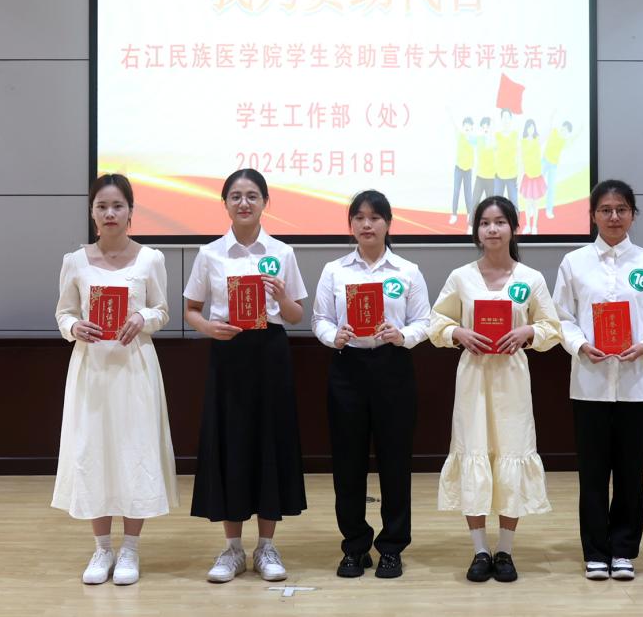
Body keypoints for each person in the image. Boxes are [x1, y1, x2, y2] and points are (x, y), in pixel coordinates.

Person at [183, 168, 308, 583]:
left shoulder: (283, 252)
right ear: (225, 203)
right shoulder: (210, 254)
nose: (244, 203)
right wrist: (208, 328)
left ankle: (266, 546)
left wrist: (282, 297)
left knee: (270, 441)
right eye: (235, 196)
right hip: (229, 353)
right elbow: (191, 309)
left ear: (265, 202)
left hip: (270, 353)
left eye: (252, 195)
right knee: (231, 443)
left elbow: (296, 315)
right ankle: (233, 549)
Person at [53, 173, 178, 586]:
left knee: (134, 451)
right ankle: (102, 548)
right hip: (91, 370)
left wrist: (143, 318)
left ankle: (131, 549)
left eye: (117, 206)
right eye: (102, 206)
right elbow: (64, 313)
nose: (110, 213)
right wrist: (74, 328)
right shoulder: (75, 260)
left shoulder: (150, 259)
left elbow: (162, 310)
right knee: (94, 451)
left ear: (130, 212)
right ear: (92, 213)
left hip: (134, 369)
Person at [429, 196, 562, 583]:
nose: (492, 229)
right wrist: (457, 332)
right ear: (476, 231)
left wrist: (528, 331)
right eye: (485, 223)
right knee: (473, 453)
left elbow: (552, 328)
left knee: (511, 455)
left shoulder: (530, 278)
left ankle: (505, 550)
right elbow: (435, 322)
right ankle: (480, 550)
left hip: (512, 382)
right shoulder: (461, 277)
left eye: (500, 222)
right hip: (473, 379)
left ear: (513, 228)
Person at [552, 179, 643, 581]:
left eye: (622, 209)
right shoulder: (574, 262)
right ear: (593, 215)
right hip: (589, 383)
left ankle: (623, 550)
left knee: (629, 473)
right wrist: (579, 344)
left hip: (636, 384)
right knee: (591, 473)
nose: (613, 217)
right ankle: (595, 551)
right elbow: (561, 318)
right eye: (605, 210)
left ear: (633, 215)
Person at [312, 190, 431, 579]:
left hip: (392, 368)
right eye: (359, 217)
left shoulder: (407, 271)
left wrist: (402, 335)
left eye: (375, 217)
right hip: (347, 368)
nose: (367, 224)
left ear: (388, 224)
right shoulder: (335, 270)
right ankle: (355, 546)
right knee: (348, 463)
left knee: (395, 462)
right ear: (350, 225)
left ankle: (392, 547)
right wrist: (334, 336)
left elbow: (424, 322)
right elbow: (320, 319)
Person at [518, 119, 547, 235]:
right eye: (529, 127)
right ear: (526, 129)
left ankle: (534, 226)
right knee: (527, 204)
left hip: (537, 176)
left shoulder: (537, 140)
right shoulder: (523, 142)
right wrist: (520, 176)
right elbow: (521, 160)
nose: (531, 129)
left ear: (534, 128)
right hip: (527, 176)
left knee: (535, 204)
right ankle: (528, 226)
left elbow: (547, 135)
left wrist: (551, 119)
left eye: (532, 127)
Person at [542, 120, 573, 219]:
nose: (564, 131)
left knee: (551, 188)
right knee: (536, 184)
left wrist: (579, 131)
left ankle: (549, 210)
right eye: (564, 129)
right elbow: (550, 123)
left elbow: (570, 142)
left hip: (553, 165)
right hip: (544, 161)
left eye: (566, 131)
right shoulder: (554, 131)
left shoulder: (564, 141)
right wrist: (553, 116)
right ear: (562, 127)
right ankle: (531, 207)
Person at [449, 116, 475, 226]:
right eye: (465, 127)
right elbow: (455, 126)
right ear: (463, 127)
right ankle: (454, 214)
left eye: (469, 127)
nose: (467, 128)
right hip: (459, 168)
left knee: (468, 193)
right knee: (456, 191)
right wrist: (450, 114)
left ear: (472, 128)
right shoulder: (460, 136)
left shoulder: (474, 140)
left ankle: (469, 214)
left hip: (468, 170)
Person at [471, 117, 496, 226]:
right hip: (480, 176)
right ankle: (471, 225)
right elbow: (468, 138)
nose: (486, 128)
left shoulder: (494, 140)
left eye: (487, 126)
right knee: (475, 201)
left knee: (491, 204)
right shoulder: (478, 139)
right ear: (481, 128)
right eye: (484, 126)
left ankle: (489, 225)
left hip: (491, 177)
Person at [494, 109, 520, 206]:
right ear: (501, 119)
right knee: (496, 204)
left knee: (514, 204)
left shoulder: (515, 135)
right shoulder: (496, 135)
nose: (505, 119)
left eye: (507, 117)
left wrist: (520, 175)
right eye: (503, 117)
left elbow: (519, 156)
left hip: (512, 175)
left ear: (511, 119)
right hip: (498, 175)